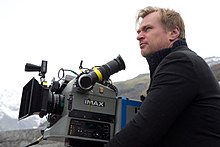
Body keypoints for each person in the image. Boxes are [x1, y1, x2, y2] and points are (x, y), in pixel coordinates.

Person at [106, 6, 220, 147]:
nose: (139, 36)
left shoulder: (180, 62)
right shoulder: (176, 62)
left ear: (173, 33)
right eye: (139, 31)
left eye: (147, 29)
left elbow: (144, 129)